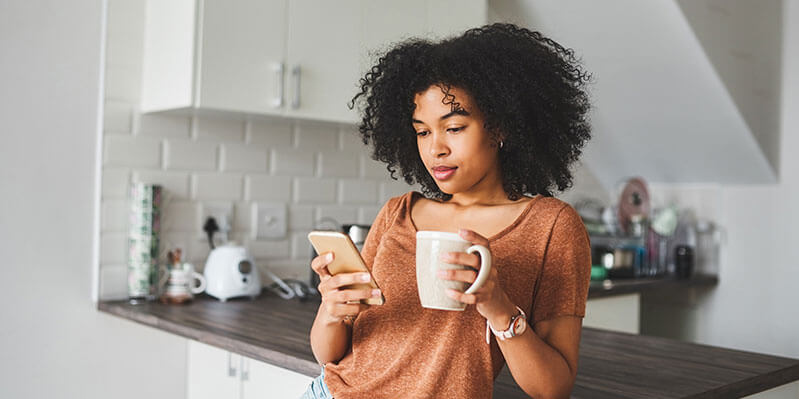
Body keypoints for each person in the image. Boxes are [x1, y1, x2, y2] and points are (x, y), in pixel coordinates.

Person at [302, 23, 593, 399]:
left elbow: (553, 388)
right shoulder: (397, 213)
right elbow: (330, 356)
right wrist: (331, 309)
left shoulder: (551, 226)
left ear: (500, 127)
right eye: (422, 131)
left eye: (453, 127)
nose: (434, 148)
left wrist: (497, 306)